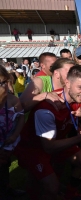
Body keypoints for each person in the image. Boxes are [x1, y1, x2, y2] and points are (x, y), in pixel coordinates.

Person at [14, 65, 81, 200]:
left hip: (56, 142)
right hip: (34, 148)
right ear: (67, 83)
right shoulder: (47, 109)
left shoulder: (76, 98)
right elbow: (48, 147)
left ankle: (70, 193)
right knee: (50, 188)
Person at [0, 66, 25, 199]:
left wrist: (14, 135)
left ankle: (7, 189)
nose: (5, 86)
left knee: (4, 168)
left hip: (7, 143)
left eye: (6, 82)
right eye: (1, 83)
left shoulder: (12, 100)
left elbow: (21, 117)